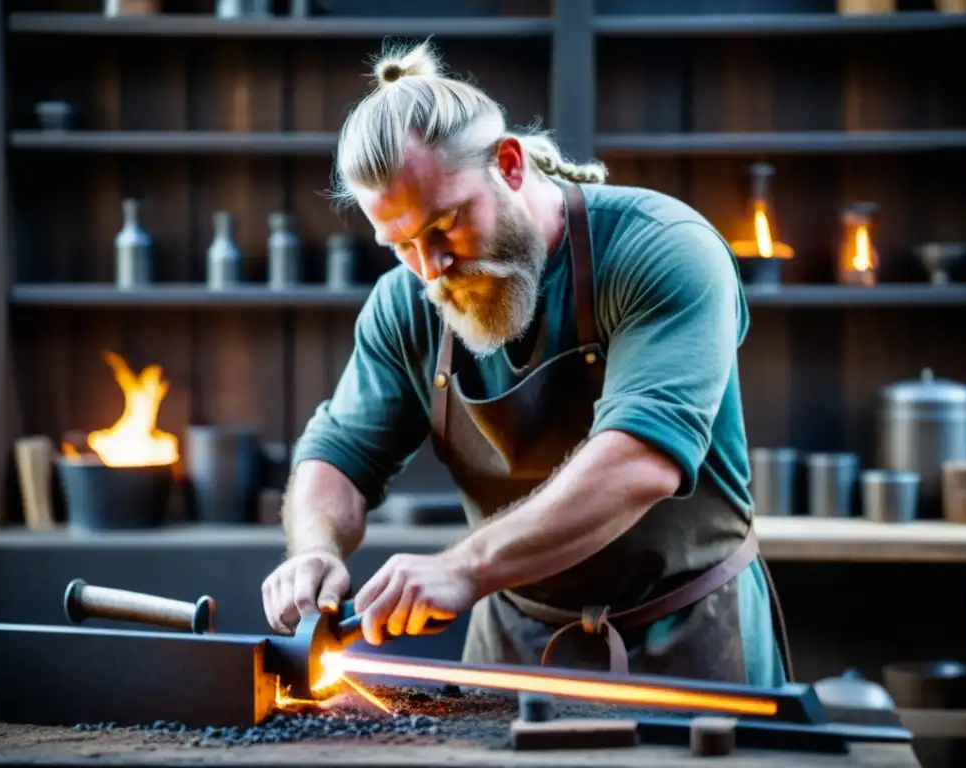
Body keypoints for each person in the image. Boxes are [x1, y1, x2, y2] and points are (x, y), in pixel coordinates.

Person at [261, 40, 793, 688]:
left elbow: (641, 461)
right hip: (513, 654)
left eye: (445, 226)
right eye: (400, 246)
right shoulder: (407, 304)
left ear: (510, 164)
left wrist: (464, 566)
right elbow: (340, 453)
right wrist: (313, 547)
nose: (431, 269)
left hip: (689, 644)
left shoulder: (663, 250)